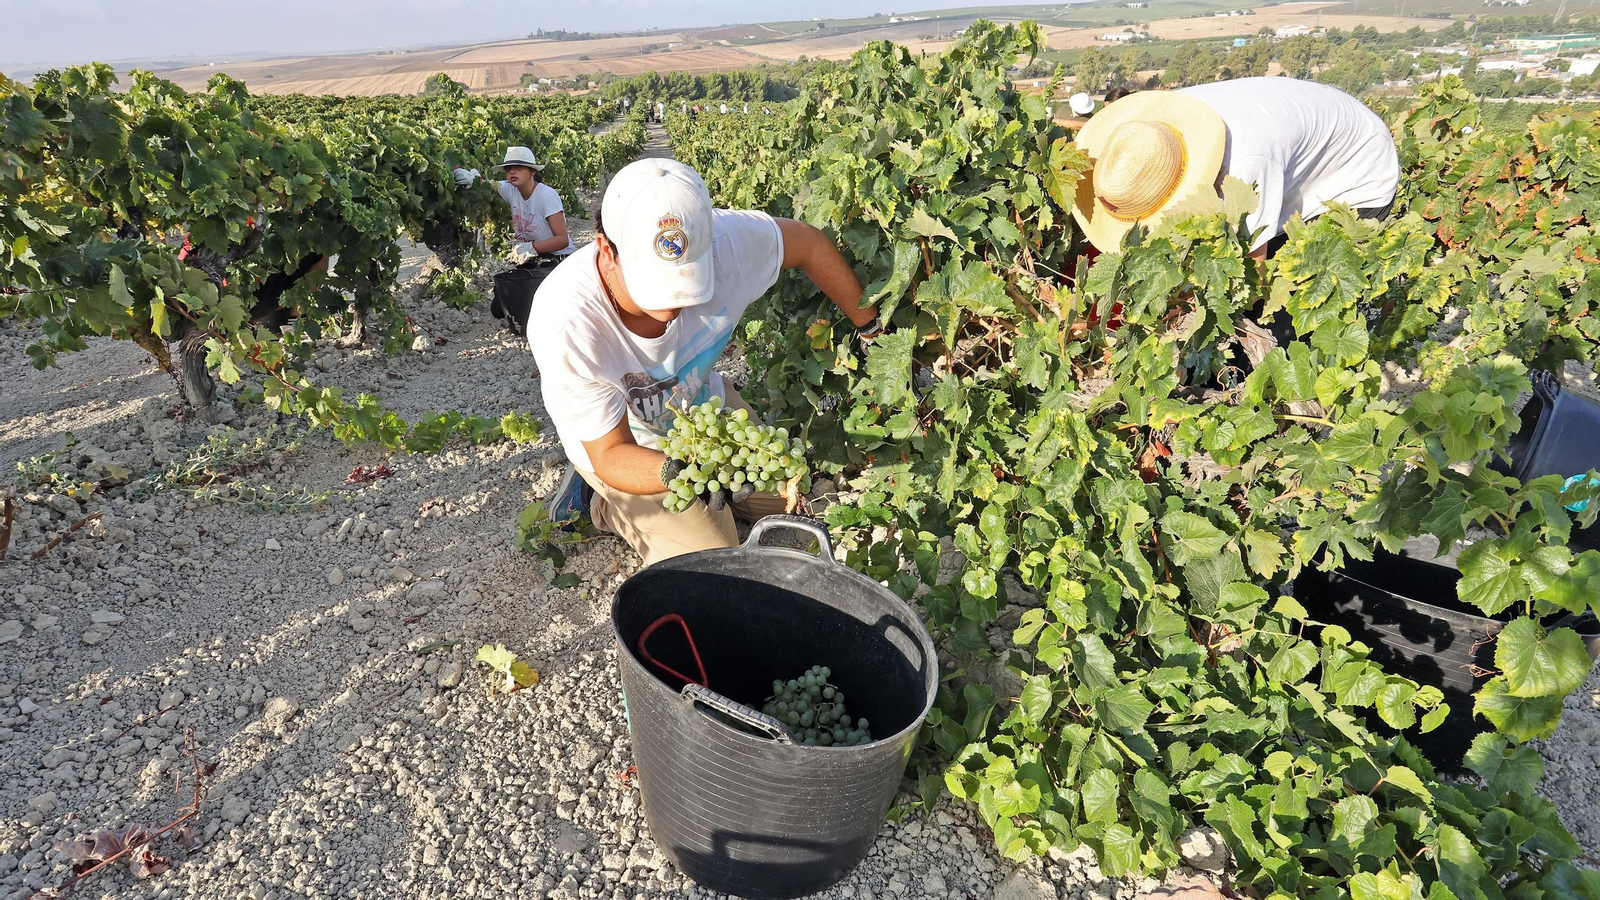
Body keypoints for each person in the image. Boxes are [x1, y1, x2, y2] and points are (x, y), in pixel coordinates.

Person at [530, 158, 880, 565]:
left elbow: (809, 243)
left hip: (701, 411)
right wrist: (677, 472)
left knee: (784, 506)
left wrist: (870, 328)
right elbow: (611, 452)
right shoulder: (567, 322)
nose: (675, 302)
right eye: (657, 286)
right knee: (717, 557)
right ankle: (601, 501)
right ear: (607, 251)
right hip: (623, 442)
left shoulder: (728, 243)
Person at [1071, 77, 1398, 261]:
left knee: (1281, 315)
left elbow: (1250, 275)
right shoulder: (1157, 129)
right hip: (1295, 151)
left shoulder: (1243, 166)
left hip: (1358, 174)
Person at [453, 146, 577, 331]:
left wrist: (532, 248)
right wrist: (472, 179)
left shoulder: (546, 196)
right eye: (509, 168)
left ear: (532, 171)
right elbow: (487, 184)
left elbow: (562, 240)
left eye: (519, 167)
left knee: (530, 309)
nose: (512, 171)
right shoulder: (511, 190)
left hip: (560, 260)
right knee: (498, 308)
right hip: (536, 260)